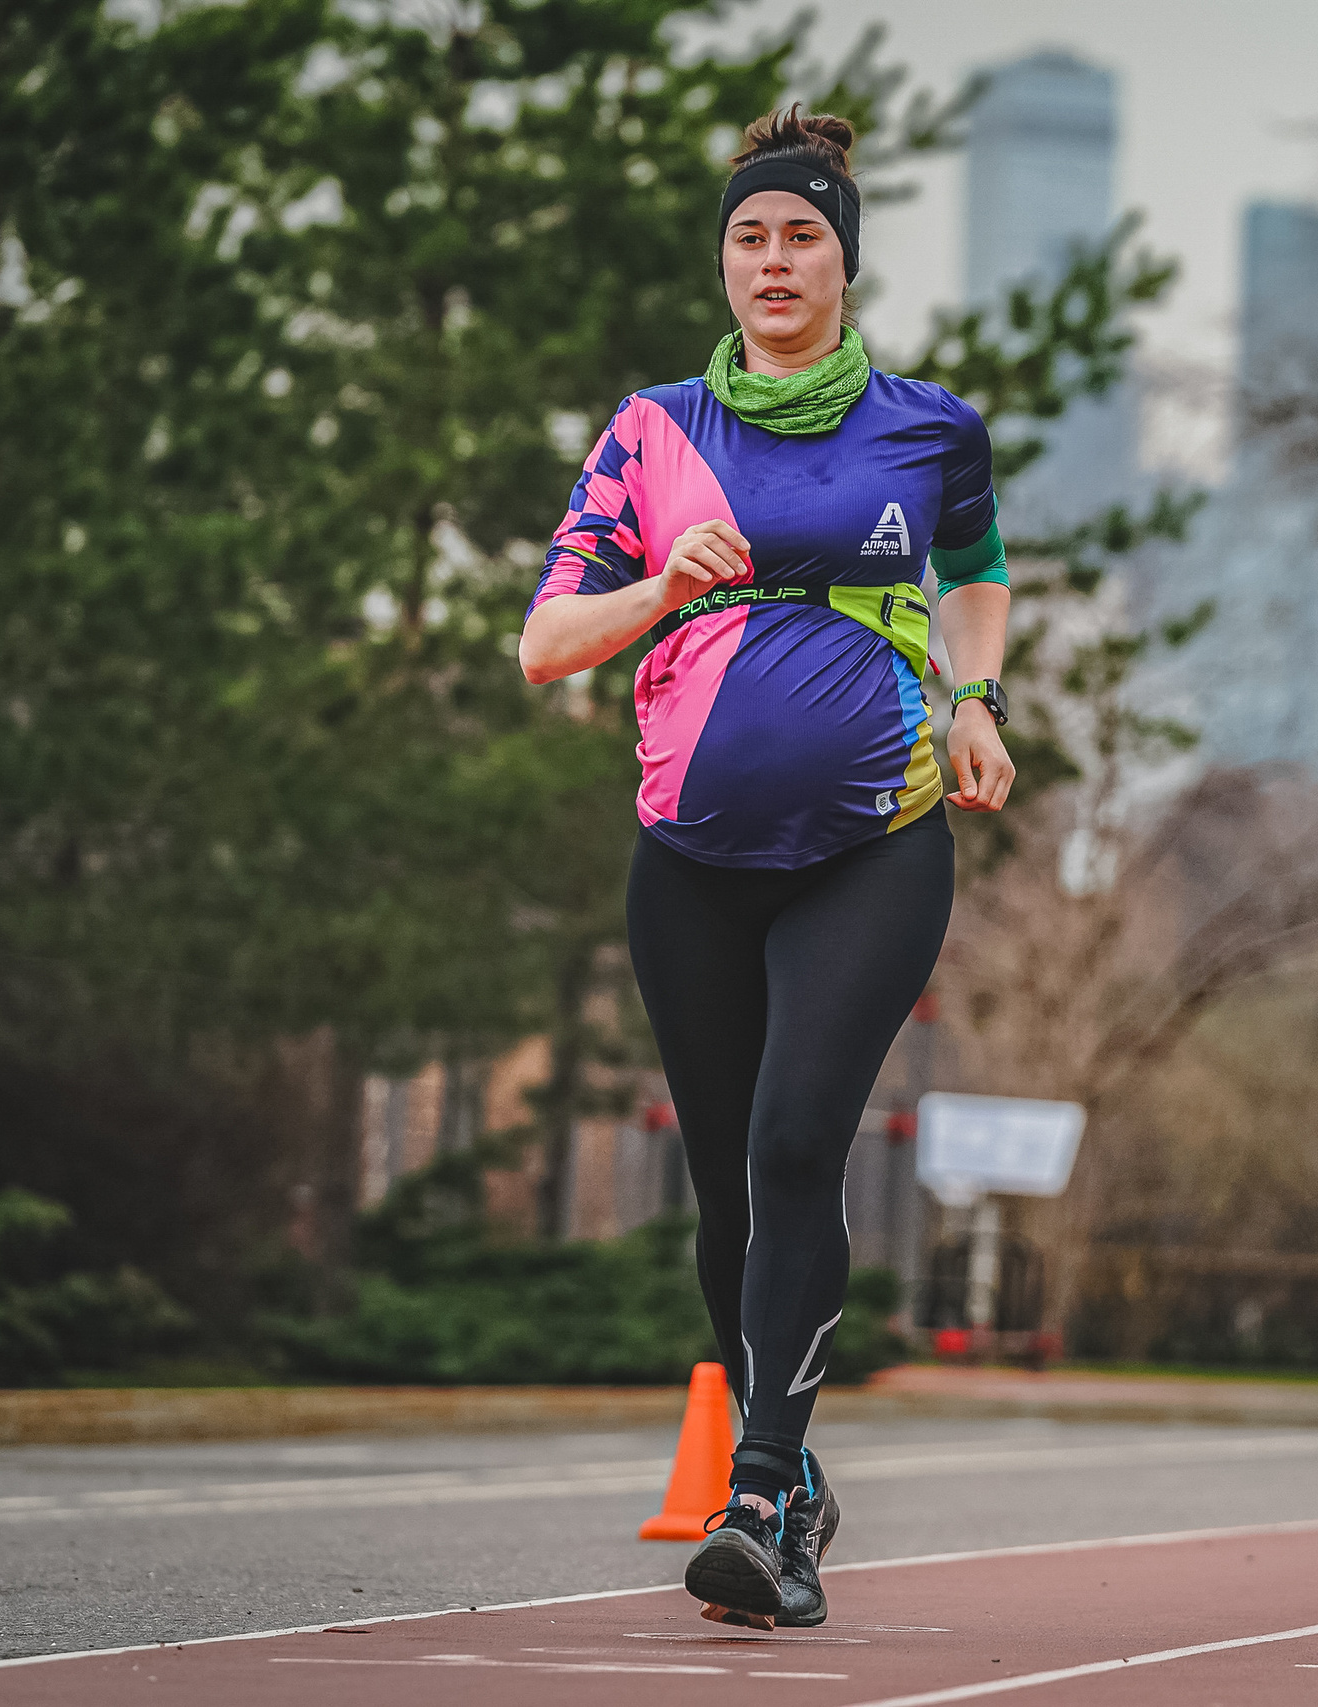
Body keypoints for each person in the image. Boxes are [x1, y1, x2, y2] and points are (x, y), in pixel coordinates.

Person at [517, 107, 1015, 1626]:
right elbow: (543, 644)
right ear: (724, 263)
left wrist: (976, 699)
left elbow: (980, 569)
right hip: (691, 862)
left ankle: (762, 1489)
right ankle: (787, 1477)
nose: (775, 260)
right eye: (751, 236)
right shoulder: (652, 432)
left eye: (803, 235)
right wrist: (659, 586)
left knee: (802, 1139)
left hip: (876, 845)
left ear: (845, 261)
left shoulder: (929, 427)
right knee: (729, 1189)